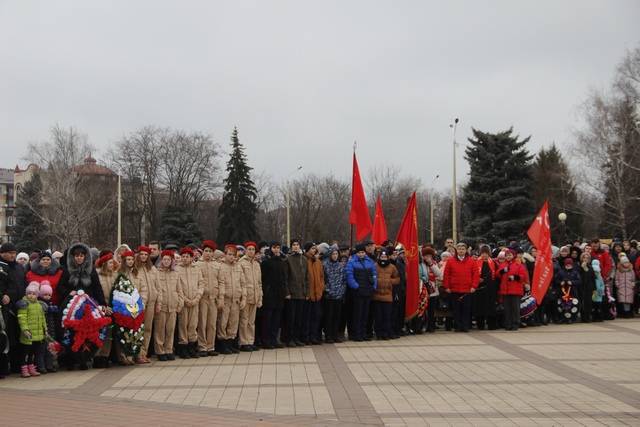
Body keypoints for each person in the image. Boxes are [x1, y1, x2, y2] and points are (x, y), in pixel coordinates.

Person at [57, 243, 105, 370]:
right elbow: (60, 287)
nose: (79, 258)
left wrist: (102, 304)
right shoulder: (67, 270)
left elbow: (97, 288)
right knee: (70, 331)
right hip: (70, 306)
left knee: (88, 331)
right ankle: (70, 359)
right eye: (76, 256)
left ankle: (85, 359)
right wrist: (68, 292)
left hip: (88, 305)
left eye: (81, 255)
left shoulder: (91, 271)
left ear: (85, 257)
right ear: (72, 257)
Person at [1, 242, 27, 375]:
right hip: (6, 308)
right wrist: (6, 296)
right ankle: (6, 366)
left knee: (19, 337)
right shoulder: (1, 267)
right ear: (2, 253)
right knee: (7, 337)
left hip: (20, 307)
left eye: (14, 253)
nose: (12, 255)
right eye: (9, 253)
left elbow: (22, 284)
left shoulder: (19, 267)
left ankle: (17, 365)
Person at [94, 251, 123, 368]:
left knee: (109, 334)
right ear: (105, 263)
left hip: (114, 308)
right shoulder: (97, 275)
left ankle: (105, 356)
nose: (112, 264)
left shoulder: (115, 275)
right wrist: (102, 306)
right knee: (101, 333)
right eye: (110, 262)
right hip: (102, 308)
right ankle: (97, 356)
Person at [196, 240, 225, 357]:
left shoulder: (218, 265)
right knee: (202, 323)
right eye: (206, 251)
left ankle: (211, 346)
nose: (208, 253)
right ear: (203, 252)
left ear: (213, 253)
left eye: (210, 251)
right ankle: (202, 347)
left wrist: (221, 297)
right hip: (203, 298)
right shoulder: (197, 265)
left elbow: (221, 282)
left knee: (212, 323)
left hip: (214, 298)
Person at [217, 245, 246, 354]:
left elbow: (243, 283)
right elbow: (221, 283)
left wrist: (244, 298)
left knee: (233, 322)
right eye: (229, 254)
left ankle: (231, 343)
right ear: (225, 255)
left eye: (233, 255)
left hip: (236, 299)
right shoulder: (221, 266)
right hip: (225, 299)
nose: (231, 257)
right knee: (223, 322)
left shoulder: (238, 267)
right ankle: (222, 345)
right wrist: (221, 298)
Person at [442, 242, 478, 332]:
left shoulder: (471, 261)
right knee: (456, 309)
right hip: (454, 289)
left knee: (466, 309)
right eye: (459, 249)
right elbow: (446, 275)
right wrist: (446, 286)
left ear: (466, 250)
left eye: (463, 249)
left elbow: (475, 275)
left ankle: (465, 326)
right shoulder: (450, 261)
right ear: (456, 250)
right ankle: (458, 326)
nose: (461, 251)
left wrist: (474, 286)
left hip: (467, 289)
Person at [154, 250, 183, 361]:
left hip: (173, 305)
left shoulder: (175, 273)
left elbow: (179, 290)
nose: (166, 261)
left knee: (170, 329)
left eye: (168, 260)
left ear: (172, 261)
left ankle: (169, 349)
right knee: (160, 330)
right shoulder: (157, 272)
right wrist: (158, 304)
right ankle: (160, 351)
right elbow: (156, 289)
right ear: (161, 260)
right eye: (164, 259)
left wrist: (180, 303)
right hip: (162, 306)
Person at [131, 246, 158, 364]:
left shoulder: (152, 269)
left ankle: (144, 353)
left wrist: (158, 302)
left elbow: (158, 287)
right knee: (138, 329)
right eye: (141, 254)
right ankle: (136, 353)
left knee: (148, 329)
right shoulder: (134, 269)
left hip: (151, 302)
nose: (143, 256)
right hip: (139, 304)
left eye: (146, 255)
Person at [345, 243, 377, 341]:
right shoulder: (351, 262)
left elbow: (374, 275)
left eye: (363, 252)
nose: (361, 254)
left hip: (368, 291)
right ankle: (357, 334)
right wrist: (356, 286)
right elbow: (349, 276)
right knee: (357, 314)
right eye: (359, 252)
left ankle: (364, 333)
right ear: (357, 253)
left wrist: (374, 286)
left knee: (365, 314)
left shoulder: (369, 262)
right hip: (358, 292)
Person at [177, 247, 204, 358]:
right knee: (183, 325)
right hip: (184, 302)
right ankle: (183, 348)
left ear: (191, 258)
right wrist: (184, 299)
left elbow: (201, 284)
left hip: (195, 301)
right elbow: (177, 287)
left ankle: (192, 347)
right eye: (183, 256)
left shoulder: (196, 269)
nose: (185, 258)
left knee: (193, 325)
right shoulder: (177, 269)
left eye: (187, 257)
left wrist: (197, 298)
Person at [260, 242, 288, 349]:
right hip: (269, 294)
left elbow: (283, 278)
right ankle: (266, 340)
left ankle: (274, 339)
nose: (276, 250)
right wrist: (266, 291)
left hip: (279, 294)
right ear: (271, 249)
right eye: (274, 248)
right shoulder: (266, 262)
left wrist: (284, 291)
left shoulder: (281, 262)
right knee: (268, 318)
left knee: (277, 319)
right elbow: (263, 279)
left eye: (278, 248)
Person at [16, 282, 47, 377]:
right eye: (29, 293)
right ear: (26, 294)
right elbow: (22, 318)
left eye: (34, 294)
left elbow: (42, 319)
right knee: (25, 352)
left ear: (37, 295)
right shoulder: (24, 304)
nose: (31, 295)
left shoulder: (39, 305)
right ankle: (24, 369)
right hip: (28, 334)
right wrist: (25, 329)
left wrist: (45, 329)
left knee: (33, 353)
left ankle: (31, 368)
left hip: (37, 334)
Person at [238, 241, 262, 351]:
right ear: (245, 250)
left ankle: (250, 341)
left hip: (255, 295)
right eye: (249, 249)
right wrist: (243, 296)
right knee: (244, 320)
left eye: (253, 249)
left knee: (251, 321)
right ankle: (243, 342)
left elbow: (259, 283)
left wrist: (260, 297)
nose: (251, 251)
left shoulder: (256, 264)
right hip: (246, 296)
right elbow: (241, 282)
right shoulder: (241, 263)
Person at [496, 249, 528, 331]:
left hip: (515, 290)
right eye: (507, 255)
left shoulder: (519, 265)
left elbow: (523, 276)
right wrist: (503, 271)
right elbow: (497, 275)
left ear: (513, 256)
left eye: (510, 255)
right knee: (507, 308)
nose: (508, 257)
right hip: (505, 290)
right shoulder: (502, 264)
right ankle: (508, 324)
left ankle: (515, 323)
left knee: (515, 308)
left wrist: (515, 277)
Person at [285, 239, 308, 346]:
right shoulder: (287, 259)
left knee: (299, 318)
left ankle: (297, 338)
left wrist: (307, 292)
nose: (295, 246)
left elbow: (307, 277)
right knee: (291, 318)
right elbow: (286, 277)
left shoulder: (303, 259)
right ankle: (289, 339)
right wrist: (287, 292)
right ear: (291, 247)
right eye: (293, 245)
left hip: (301, 293)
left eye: (297, 245)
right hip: (292, 293)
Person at [372, 249, 400, 340]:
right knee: (378, 317)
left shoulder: (392, 267)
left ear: (388, 257)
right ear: (379, 257)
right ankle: (378, 334)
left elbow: (397, 279)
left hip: (388, 296)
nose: (383, 258)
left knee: (387, 316)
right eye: (381, 257)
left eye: (385, 257)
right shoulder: (375, 266)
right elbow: (371, 277)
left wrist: (390, 281)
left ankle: (386, 333)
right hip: (376, 296)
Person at [322, 246, 346, 343]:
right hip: (329, 295)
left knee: (337, 316)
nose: (335, 256)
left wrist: (342, 290)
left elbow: (344, 280)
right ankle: (328, 335)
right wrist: (327, 290)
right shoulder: (325, 265)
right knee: (329, 316)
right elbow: (323, 280)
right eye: (333, 254)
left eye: (336, 254)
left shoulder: (340, 265)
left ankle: (335, 334)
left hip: (338, 295)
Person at [304, 242, 324, 345]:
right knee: (307, 317)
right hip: (308, 295)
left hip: (317, 294)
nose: (314, 250)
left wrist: (320, 289)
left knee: (316, 316)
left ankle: (314, 336)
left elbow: (321, 277)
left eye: (315, 249)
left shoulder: (318, 262)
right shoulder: (305, 261)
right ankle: (306, 337)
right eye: (312, 248)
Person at [473, 245, 498, 330]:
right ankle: (480, 325)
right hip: (479, 288)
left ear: (489, 254)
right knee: (480, 307)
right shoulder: (476, 262)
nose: (484, 255)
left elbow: (496, 275)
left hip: (490, 288)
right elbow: (473, 274)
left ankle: (491, 325)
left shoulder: (493, 262)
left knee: (491, 306)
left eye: (486, 253)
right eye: (483, 253)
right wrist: (477, 279)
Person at [419, 247, 442, 333]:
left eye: (429, 255)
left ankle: (431, 326)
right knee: (423, 309)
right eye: (426, 255)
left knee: (431, 310)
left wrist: (431, 264)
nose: (427, 257)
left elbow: (439, 274)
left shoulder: (434, 263)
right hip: (423, 290)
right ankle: (422, 325)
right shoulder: (421, 264)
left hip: (433, 291)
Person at [555, 258, 581, 323]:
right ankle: (562, 318)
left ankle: (571, 318)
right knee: (562, 305)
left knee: (572, 305)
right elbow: (556, 280)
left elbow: (579, 281)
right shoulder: (560, 272)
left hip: (572, 292)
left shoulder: (575, 272)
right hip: (562, 293)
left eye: (569, 264)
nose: (568, 265)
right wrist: (560, 282)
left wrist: (572, 282)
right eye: (567, 264)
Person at [578, 252, 595, 323]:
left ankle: (588, 317)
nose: (586, 259)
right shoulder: (579, 267)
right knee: (582, 302)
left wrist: (594, 289)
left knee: (589, 302)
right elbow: (579, 276)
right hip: (581, 287)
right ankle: (583, 317)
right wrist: (583, 268)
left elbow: (593, 278)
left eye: (587, 258)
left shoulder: (591, 267)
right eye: (584, 257)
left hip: (589, 287)